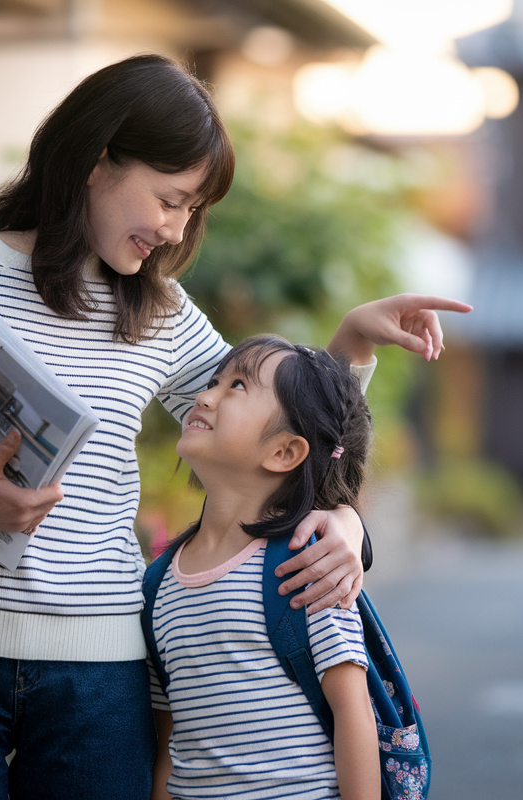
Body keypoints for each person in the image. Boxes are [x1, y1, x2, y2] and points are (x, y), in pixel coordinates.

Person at [0, 52, 469, 800]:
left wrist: (342, 503)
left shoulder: (159, 311)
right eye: (169, 199)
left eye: (193, 209)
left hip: (100, 673)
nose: (175, 228)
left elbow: (273, 426)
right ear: (98, 161)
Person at [145, 335, 379, 800]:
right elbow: (171, 737)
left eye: (235, 386)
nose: (205, 395)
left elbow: (354, 714)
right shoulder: (159, 581)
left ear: (284, 453)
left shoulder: (306, 564)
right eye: (212, 381)